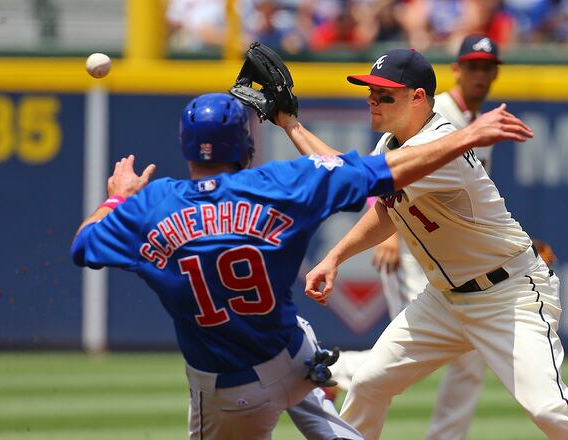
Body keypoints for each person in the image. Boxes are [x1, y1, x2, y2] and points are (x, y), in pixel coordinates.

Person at [71, 91, 533, 439]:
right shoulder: (280, 183)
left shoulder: (149, 207)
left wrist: (119, 197)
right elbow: (385, 171)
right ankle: (318, 389)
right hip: (293, 359)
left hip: (232, 394)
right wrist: (468, 135)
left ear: (187, 146)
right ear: (246, 145)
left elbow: (84, 244)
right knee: (308, 365)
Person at [304, 49, 568, 440]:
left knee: (548, 408)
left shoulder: (441, 144)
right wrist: (335, 256)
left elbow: (350, 181)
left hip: (508, 295)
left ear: (418, 97)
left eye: (385, 94)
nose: (373, 100)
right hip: (445, 299)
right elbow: (386, 211)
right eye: (370, 92)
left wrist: (289, 123)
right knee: (369, 382)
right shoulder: (390, 144)